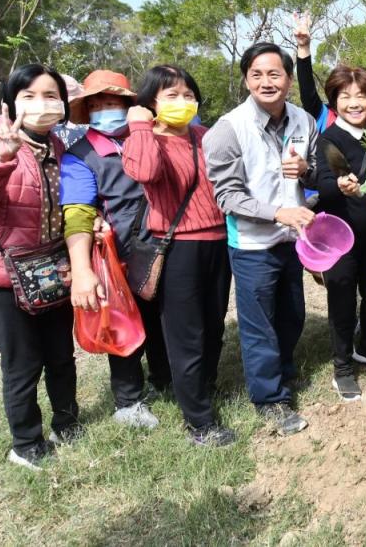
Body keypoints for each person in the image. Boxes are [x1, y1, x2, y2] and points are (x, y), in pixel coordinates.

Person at [203, 42, 317, 435]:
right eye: (257, 74)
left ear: (288, 78)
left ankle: (281, 372)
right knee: (259, 325)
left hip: (293, 239)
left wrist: (306, 172)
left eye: (275, 74)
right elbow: (227, 196)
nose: (267, 82)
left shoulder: (305, 121)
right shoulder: (228, 129)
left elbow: (315, 175)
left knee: (292, 314)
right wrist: (276, 213)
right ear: (246, 79)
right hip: (252, 243)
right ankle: (270, 398)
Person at [121, 65, 235, 447]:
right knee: (187, 334)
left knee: (213, 324)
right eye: (171, 95)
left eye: (188, 94)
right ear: (150, 103)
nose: (183, 102)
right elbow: (146, 172)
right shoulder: (145, 140)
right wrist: (139, 125)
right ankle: (199, 423)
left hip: (219, 241)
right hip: (178, 246)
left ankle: (203, 388)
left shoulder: (205, 136)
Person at [0, 65, 80, 469]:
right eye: (30, 96)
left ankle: (68, 423)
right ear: (9, 103)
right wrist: (1, 162)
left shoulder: (58, 145)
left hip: (52, 268)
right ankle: (27, 443)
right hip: (2, 275)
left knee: (60, 354)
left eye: (51, 95)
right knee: (22, 362)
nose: (42, 104)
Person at [61, 69, 171, 430]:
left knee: (162, 320)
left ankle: (166, 379)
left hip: (164, 248)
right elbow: (77, 211)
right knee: (123, 326)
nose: (105, 109)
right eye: (97, 105)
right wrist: (84, 266)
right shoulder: (80, 155)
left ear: (129, 106)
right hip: (118, 256)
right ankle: (129, 401)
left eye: (113, 102)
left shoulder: (152, 136)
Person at [315, 63, 366, 402]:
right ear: (334, 101)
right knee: (343, 298)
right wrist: (338, 185)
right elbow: (319, 183)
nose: (354, 103)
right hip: (340, 237)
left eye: (361, 96)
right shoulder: (330, 138)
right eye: (345, 97)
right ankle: (343, 368)